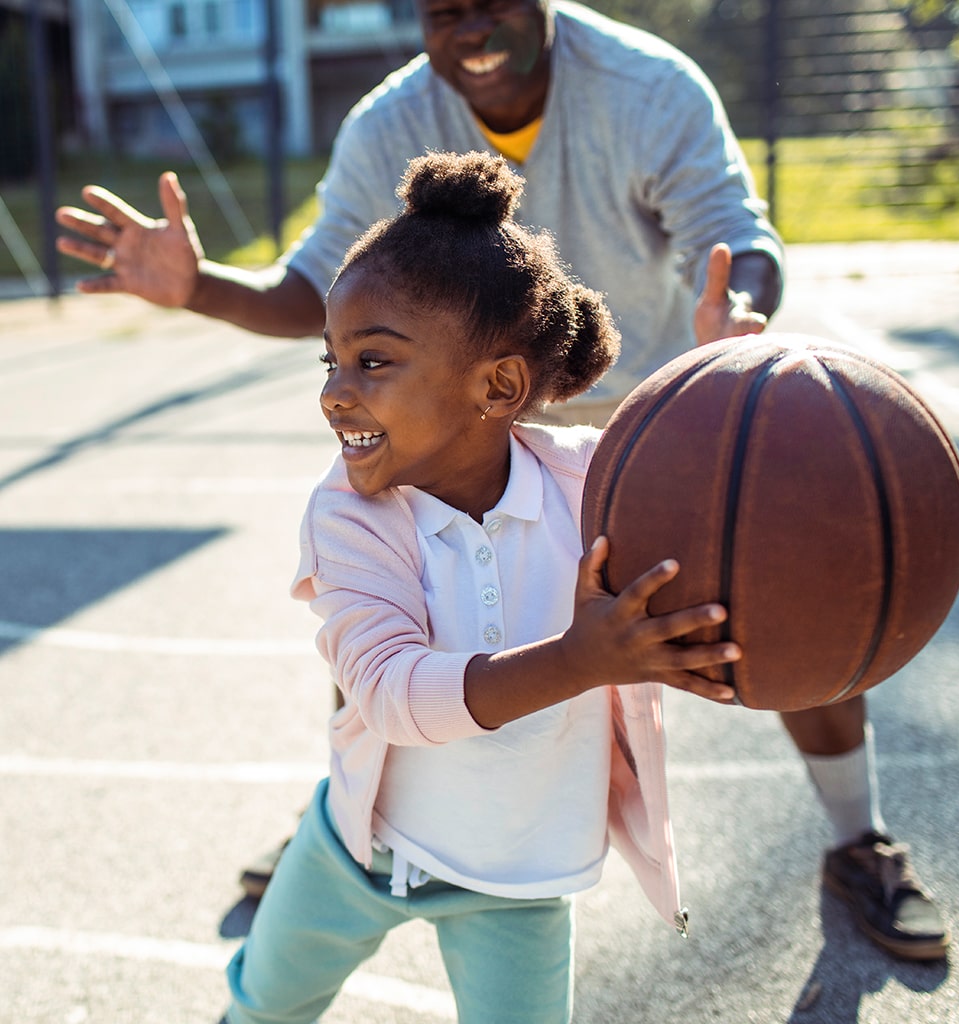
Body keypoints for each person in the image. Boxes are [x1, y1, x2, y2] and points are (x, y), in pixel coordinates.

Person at [55, 0, 948, 962]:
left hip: (640, 424)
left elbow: (735, 231)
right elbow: (314, 284)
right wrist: (198, 286)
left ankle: (859, 838)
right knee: (385, 613)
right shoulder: (389, 121)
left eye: (490, 3)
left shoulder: (646, 86)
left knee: (775, 581)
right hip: (447, 424)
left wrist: (737, 311)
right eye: (443, 10)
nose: (469, 26)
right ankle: (352, 823)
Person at [222, 148, 741, 1024]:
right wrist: (579, 660)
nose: (336, 395)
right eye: (331, 363)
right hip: (362, 849)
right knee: (263, 1007)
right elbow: (388, 693)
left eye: (373, 363)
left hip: (519, 875)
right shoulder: (348, 516)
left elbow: (705, 500)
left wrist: (725, 393)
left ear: (498, 385)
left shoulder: (589, 486)